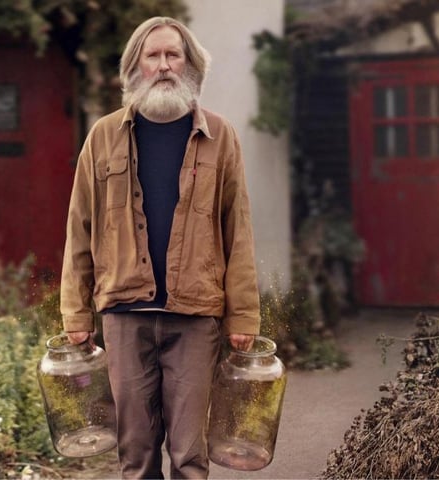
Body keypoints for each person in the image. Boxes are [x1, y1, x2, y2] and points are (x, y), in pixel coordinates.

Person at [60, 16, 260, 479]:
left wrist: (243, 314)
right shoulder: (103, 136)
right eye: (154, 55)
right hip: (125, 315)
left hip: (194, 316)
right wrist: (75, 313)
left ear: (190, 65)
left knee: (189, 455)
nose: (165, 65)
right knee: (136, 452)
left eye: (174, 55)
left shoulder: (220, 136)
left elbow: (239, 229)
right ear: (136, 66)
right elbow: (79, 229)